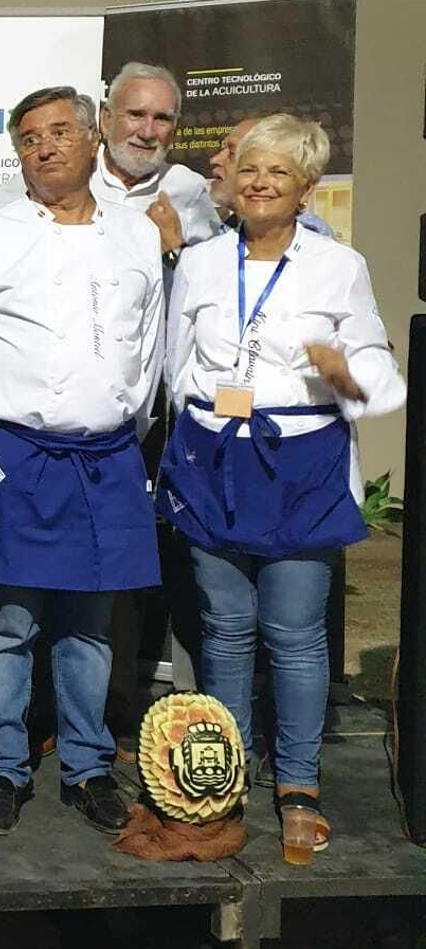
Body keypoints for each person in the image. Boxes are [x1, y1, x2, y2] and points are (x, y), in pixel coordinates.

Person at [158, 113, 405, 862]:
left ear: (304, 189)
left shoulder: (340, 266)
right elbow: (176, 368)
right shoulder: (201, 263)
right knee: (224, 631)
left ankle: (298, 786)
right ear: (230, 183)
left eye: (280, 174)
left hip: (300, 461)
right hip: (213, 458)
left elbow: (379, 379)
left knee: (294, 636)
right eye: (251, 170)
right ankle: (224, 778)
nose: (261, 184)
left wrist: (345, 374)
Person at [0, 85, 164, 836]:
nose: (46, 147)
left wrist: (128, 421)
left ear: (94, 140)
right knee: (7, 624)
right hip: (13, 452)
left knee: (91, 626)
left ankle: (89, 768)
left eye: (60, 132)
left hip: (104, 455)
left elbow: (149, 348)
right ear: (18, 155)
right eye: (29, 139)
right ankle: (3, 767)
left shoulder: (134, 237)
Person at [0, 62, 219, 258]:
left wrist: (174, 250)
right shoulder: (65, 173)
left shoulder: (189, 188)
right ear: (106, 120)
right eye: (136, 115)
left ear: (175, 129)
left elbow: (209, 284)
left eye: (162, 119)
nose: (147, 133)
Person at [208, 115, 334, 235]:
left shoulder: (315, 243)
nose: (215, 160)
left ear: (305, 189)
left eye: (232, 153)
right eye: (250, 170)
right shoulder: (214, 239)